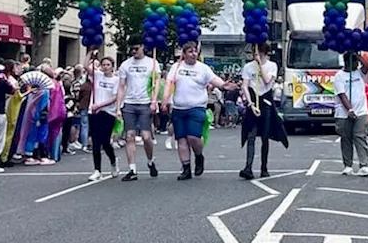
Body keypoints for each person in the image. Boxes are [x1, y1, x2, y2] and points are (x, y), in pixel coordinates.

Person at [163, 42, 233, 181]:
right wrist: (165, 99)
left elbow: (214, 80)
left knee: (193, 137)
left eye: (195, 51)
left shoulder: (203, 68)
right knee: (181, 139)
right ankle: (186, 168)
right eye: (190, 51)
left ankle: (199, 156)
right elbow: (169, 83)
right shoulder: (176, 68)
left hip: (197, 107)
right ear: (184, 54)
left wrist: (224, 85)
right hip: (179, 108)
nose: (193, 54)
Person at [116, 43, 160, 181]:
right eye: (132, 49)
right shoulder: (125, 64)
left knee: (146, 137)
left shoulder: (152, 62)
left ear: (142, 47)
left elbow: (156, 82)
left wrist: (154, 100)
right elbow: (122, 86)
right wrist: (118, 106)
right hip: (129, 103)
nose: (134, 51)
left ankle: (150, 160)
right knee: (130, 136)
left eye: (136, 48)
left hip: (145, 103)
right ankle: (132, 169)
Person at [240, 42, 284, 179]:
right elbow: (245, 85)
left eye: (258, 52)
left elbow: (266, 81)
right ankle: (248, 167)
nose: (255, 54)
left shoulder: (272, 66)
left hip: (265, 101)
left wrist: (260, 65)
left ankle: (264, 168)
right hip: (253, 100)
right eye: (254, 52)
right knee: (250, 135)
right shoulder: (248, 67)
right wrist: (250, 102)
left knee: (265, 136)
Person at [334, 52, 368, 176]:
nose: (357, 65)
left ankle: (364, 165)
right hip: (344, 113)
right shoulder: (339, 76)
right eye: (354, 62)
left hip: (361, 111)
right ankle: (348, 165)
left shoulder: (359, 73)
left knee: (360, 137)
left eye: (357, 62)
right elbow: (342, 94)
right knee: (346, 138)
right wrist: (349, 110)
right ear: (346, 62)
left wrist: (358, 55)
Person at [87, 56, 121, 181]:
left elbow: (114, 97)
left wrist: (100, 105)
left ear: (112, 66)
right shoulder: (98, 76)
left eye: (108, 65)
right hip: (94, 112)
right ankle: (97, 170)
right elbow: (86, 67)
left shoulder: (116, 80)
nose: (105, 67)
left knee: (105, 141)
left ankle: (113, 161)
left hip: (108, 112)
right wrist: (90, 52)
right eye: (104, 65)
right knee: (95, 141)